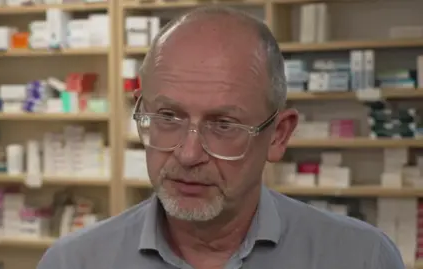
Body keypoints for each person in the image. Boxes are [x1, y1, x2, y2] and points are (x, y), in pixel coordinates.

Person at [37, 6, 405, 269]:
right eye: (168, 116)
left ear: (278, 135)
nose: (188, 153)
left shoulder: (361, 257)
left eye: (224, 125)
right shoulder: (73, 261)